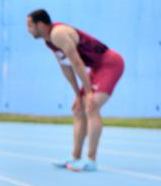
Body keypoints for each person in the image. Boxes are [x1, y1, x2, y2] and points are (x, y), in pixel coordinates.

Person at [26, 9, 124, 172]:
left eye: (30, 26)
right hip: (95, 67)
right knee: (79, 108)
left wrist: (89, 93)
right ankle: (75, 156)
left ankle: (91, 160)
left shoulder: (58, 34)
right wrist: (78, 95)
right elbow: (66, 68)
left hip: (110, 64)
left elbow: (77, 64)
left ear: (41, 25)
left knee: (91, 106)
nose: (28, 30)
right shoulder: (49, 40)